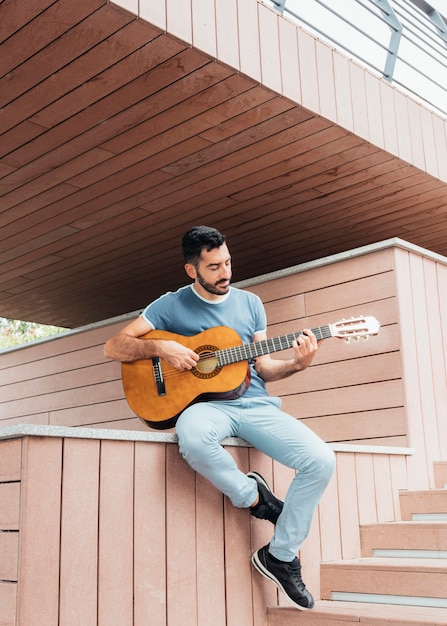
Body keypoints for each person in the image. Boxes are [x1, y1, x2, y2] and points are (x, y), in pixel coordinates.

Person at [104, 225, 335, 610]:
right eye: (213, 267)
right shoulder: (169, 305)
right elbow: (115, 346)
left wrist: (297, 364)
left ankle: (279, 555)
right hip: (206, 407)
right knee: (191, 438)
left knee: (321, 460)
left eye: (227, 262)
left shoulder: (250, 303)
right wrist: (162, 347)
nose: (225, 272)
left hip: (256, 405)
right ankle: (253, 497)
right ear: (192, 270)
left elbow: (264, 367)